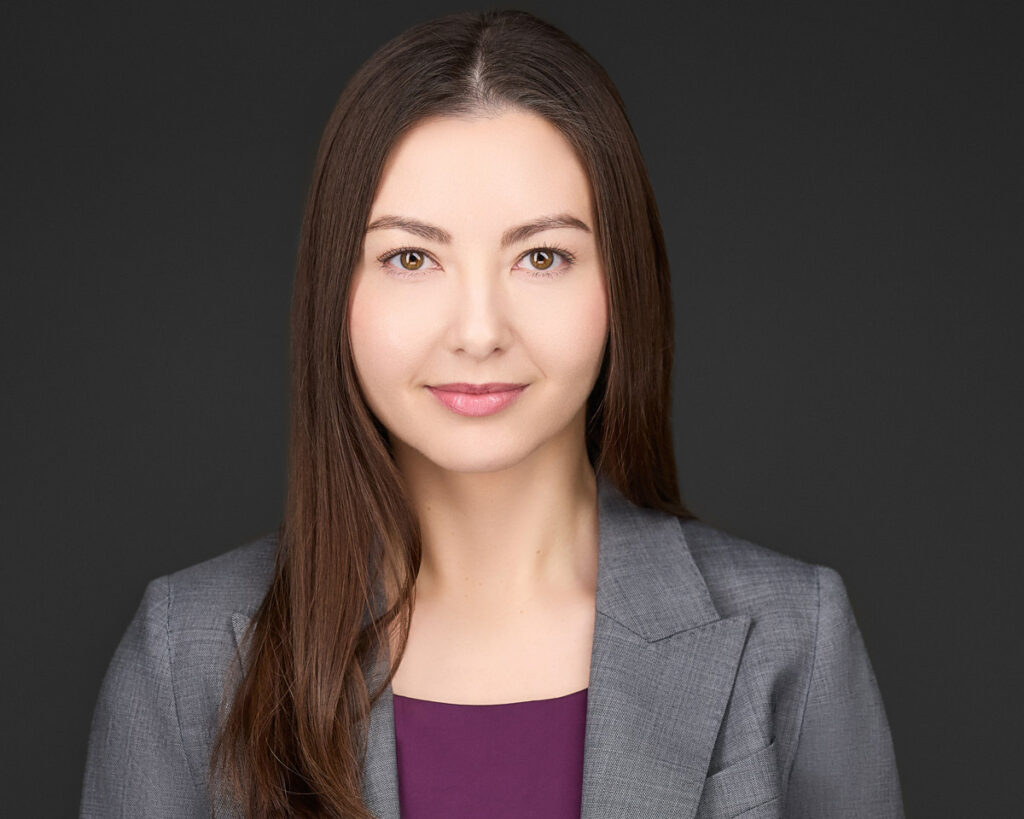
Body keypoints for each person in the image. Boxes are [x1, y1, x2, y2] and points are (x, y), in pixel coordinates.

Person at [79, 9, 904, 818]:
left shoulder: (793, 636)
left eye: (542, 256)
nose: (478, 332)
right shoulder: (186, 655)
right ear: (335, 291)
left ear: (623, 281)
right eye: (411, 257)